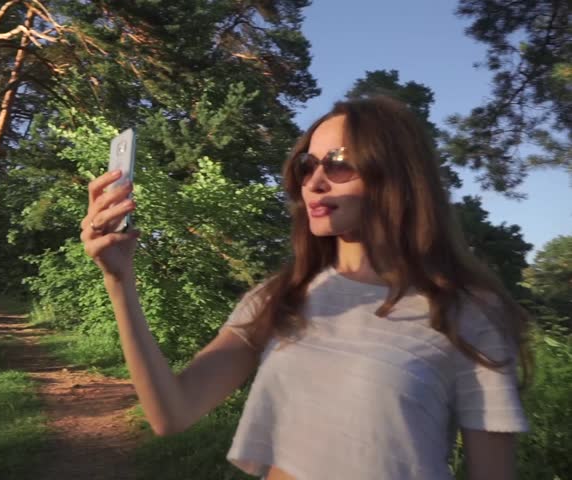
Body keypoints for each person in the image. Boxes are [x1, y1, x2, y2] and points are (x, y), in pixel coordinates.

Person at [79, 96, 530, 480]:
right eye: (307, 164)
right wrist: (119, 279)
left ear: (398, 176)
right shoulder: (279, 296)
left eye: (339, 164)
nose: (313, 181)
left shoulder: (467, 311)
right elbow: (171, 413)